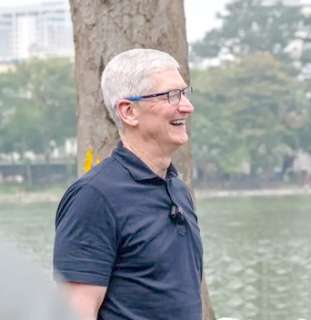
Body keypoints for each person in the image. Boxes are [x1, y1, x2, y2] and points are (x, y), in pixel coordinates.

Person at [53, 48, 203, 320]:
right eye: (171, 95)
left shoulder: (177, 190)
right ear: (129, 111)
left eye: (184, 93)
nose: (186, 106)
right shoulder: (94, 197)